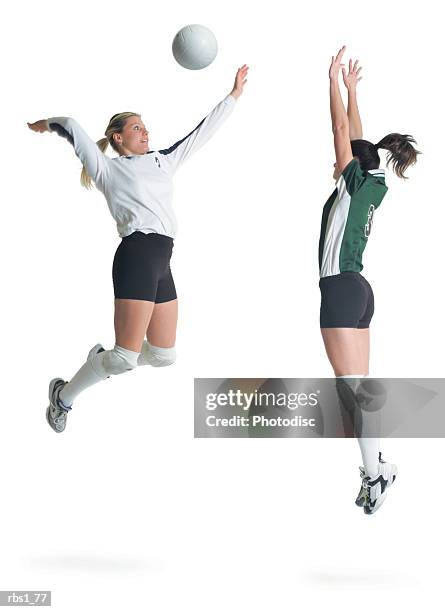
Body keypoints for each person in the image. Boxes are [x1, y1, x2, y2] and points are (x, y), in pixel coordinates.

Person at [27, 64, 249, 434]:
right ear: (117, 138)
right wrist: (46, 123)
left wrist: (234, 95)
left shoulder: (164, 160)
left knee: (163, 355)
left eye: (145, 126)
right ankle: (64, 396)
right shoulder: (107, 170)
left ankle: (99, 361)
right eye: (135, 127)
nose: (144, 131)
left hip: (163, 259)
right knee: (126, 358)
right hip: (137, 255)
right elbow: (70, 124)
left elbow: (202, 132)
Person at [319, 47, 420, 514]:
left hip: (341, 288)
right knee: (356, 389)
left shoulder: (354, 180)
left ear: (352, 164)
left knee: (350, 390)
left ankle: (375, 474)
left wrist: (331, 82)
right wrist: (353, 89)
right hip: (358, 290)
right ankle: (377, 465)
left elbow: (344, 132)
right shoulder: (374, 182)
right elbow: (356, 139)